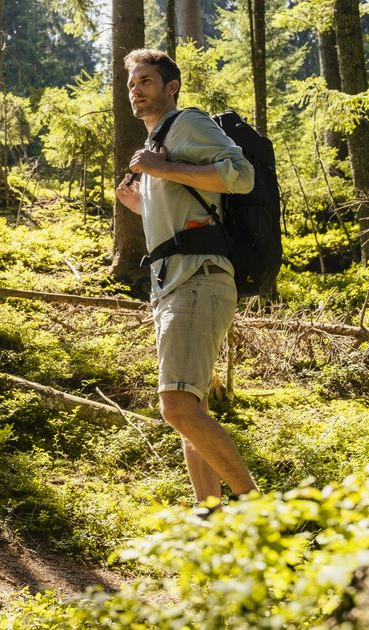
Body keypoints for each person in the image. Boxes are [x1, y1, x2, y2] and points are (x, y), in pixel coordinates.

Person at [113, 48, 259, 504]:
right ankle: (209, 513)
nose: (137, 91)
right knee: (191, 405)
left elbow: (241, 175)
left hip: (198, 278)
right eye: (132, 84)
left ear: (170, 87)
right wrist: (143, 204)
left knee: (176, 406)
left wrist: (161, 168)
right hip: (173, 283)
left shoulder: (186, 124)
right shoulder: (157, 143)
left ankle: (257, 508)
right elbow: (188, 207)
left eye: (147, 82)